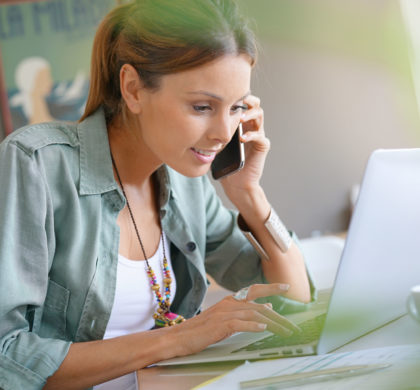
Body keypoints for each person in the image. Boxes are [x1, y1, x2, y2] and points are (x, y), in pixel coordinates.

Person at [0, 1, 315, 389]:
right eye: (202, 106)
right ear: (133, 89)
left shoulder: (186, 179)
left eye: (235, 107)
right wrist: (177, 339)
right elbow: (6, 357)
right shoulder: (37, 165)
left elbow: (295, 298)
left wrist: (248, 193)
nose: (223, 132)